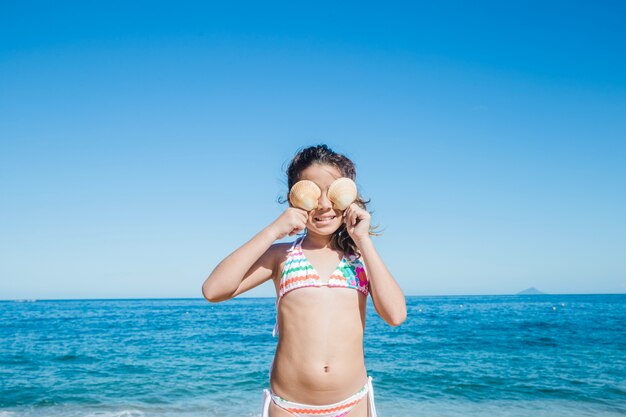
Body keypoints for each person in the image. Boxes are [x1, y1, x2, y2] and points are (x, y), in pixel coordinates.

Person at [202, 144, 406, 417]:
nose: (323, 204)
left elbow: (395, 315)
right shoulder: (282, 256)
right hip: (290, 408)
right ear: (294, 199)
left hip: (353, 403)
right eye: (312, 192)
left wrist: (363, 240)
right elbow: (213, 290)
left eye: (332, 192)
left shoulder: (360, 259)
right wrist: (274, 230)